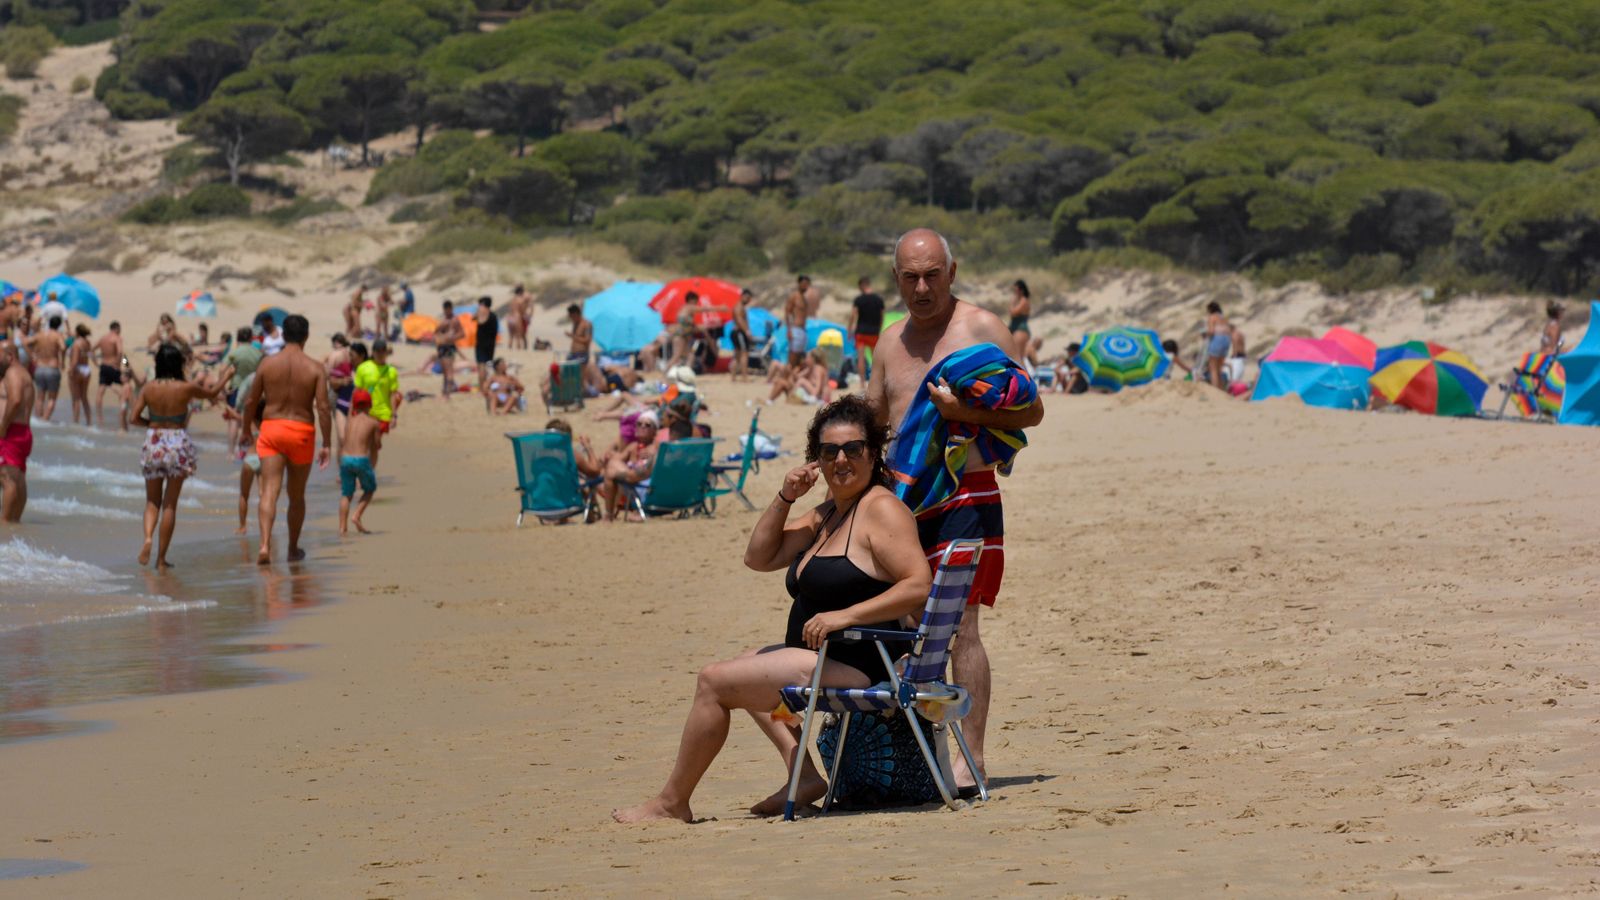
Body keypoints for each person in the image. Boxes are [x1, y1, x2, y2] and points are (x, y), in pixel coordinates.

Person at [613, 396, 932, 822]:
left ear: (873, 454)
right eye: (828, 451)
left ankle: (672, 803)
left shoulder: (881, 510)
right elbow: (758, 557)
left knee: (713, 682)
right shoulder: (828, 515)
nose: (841, 459)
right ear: (815, 460)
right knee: (748, 663)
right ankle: (802, 776)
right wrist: (786, 496)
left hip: (860, 662)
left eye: (853, 449)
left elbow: (919, 584)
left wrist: (845, 617)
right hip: (825, 658)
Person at [866, 227, 1044, 794]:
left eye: (932, 274)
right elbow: (874, 425)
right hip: (902, 503)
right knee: (907, 627)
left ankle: (972, 757)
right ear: (897, 279)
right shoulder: (888, 342)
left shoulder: (983, 327)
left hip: (967, 495)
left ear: (952, 270)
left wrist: (965, 408)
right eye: (911, 277)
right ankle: (923, 754)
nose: (922, 287)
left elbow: (1031, 411)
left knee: (960, 625)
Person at [240, 314, 332, 565]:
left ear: (283, 335)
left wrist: (246, 429)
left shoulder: (268, 365)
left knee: (269, 491)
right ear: (306, 336)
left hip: (271, 429)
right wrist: (326, 443)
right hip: (301, 431)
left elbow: (250, 400)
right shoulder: (315, 368)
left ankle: (264, 545)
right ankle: (292, 548)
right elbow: (323, 408)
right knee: (296, 495)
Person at [131, 343, 228, 571]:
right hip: (177, 442)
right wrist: (227, 376)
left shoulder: (149, 388)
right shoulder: (186, 387)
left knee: (152, 501)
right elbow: (213, 394)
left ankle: (147, 539)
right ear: (178, 364)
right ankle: (161, 558)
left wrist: (153, 426)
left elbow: (134, 418)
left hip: (154, 440)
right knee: (170, 505)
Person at [338, 389, 381, 536]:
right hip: (361, 459)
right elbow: (375, 447)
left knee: (346, 494)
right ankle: (356, 516)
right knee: (370, 489)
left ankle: (342, 528)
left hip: (345, 459)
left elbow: (351, 409)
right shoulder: (373, 423)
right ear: (370, 404)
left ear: (355, 406)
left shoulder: (349, 421)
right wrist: (373, 465)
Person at [0, 340, 35, 522]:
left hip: (11, 431)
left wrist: (3, 426)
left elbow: (14, 400)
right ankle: (15, 521)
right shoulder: (24, 374)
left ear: (10, 356)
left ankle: (5, 522)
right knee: (18, 478)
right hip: (22, 431)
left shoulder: (12, 373)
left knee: (7, 479)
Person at [352, 339, 400, 465]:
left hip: (383, 414)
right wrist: (353, 411)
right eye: (377, 351)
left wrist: (394, 415)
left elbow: (393, 395)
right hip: (365, 413)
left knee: (373, 446)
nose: (380, 354)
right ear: (372, 352)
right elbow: (357, 391)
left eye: (382, 351)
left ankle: (369, 473)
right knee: (364, 443)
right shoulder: (363, 368)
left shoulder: (391, 371)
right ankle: (363, 474)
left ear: (386, 353)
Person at [222, 325, 263, 446]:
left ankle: (231, 452)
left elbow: (221, 369)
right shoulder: (258, 353)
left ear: (237, 338)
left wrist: (223, 389)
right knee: (251, 419)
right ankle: (249, 448)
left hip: (236, 388)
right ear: (251, 338)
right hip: (253, 389)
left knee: (234, 419)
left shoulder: (235, 353)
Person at [25, 315, 66, 421]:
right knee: (52, 398)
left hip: (39, 368)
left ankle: (39, 420)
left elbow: (26, 342)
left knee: (40, 397)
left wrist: (32, 355)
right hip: (52, 367)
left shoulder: (40, 334)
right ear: (59, 325)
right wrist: (63, 361)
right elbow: (63, 347)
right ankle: (45, 420)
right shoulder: (57, 335)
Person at [848, 276, 885, 381]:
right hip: (874, 332)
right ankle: (876, 380)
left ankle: (862, 383)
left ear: (862, 285)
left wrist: (849, 330)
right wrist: (879, 329)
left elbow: (853, 315)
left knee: (860, 358)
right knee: (875, 359)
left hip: (861, 332)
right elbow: (882, 316)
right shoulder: (878, 299)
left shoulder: (859, 300)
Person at [93, 320, 126, 428]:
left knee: (100, 391)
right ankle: (123, 414)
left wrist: (96, 363)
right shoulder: (117, 338)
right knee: (125, 387)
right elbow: (121, 352)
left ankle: (99, 418)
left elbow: (91, 350)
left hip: (104, 366)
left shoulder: (103, 338)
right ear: (117, 329)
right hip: (113, 367)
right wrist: (119, 363)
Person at [433, 300, 462, 399]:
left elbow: (462, 334)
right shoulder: (444, 320)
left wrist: (451, 338)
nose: (446, 312)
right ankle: (444, 392)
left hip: (449, 347)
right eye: (445, 310)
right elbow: (436, 332)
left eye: (448, 310)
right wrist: (439, 339)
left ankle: (447, 394)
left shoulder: (455, 320)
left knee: (449, 371)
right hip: (441, 347)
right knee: (445, 372)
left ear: (451, 309)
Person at [728, 289, 755, 382]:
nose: (748, 300)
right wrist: (747, 332)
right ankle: (744, 377)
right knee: (744, 354)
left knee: (738, 355)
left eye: (749, 299)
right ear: (742, 296)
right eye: (747, 298)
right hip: (739, 332)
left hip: (738, 332)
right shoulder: (739, 307)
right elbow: (740, 321)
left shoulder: (741, 307)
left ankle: (733, 377)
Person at [68, 323, 93, 424]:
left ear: (77, 332)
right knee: (84, 397)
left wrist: (70, 370)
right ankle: (89, 421)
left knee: (76, 398)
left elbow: (75, 360)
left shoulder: (76, 344)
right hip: (86, 369)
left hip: (78, 370)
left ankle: (76, 421)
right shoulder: (87, 342)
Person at [1203, 300, 1231, 390]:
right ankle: (1221, 388)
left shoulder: (1212, 317)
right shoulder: (1223, 317)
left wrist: (1204, 334)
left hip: (1217, 340)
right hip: (1226, 340)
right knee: (1219, 368)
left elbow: (1211, 331)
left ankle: (1215, 390)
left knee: (1213, 368)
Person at [784, 276, 810, 368]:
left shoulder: (804, 299)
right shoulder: (794, 296)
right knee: (793, 356)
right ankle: (786, 378)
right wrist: (789, 330)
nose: (805, 286)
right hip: (795, 329)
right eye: (803, 284)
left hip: (803, 330)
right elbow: (788, 313)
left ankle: (793, 379)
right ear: (799, 284)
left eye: (807, 285)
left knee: (800, 357)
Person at [475, 296, 500, 387]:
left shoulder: (481, 312)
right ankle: (487, 385)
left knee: (481, 366)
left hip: (481, 343)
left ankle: (482, 387)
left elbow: (475, 319)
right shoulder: (493, 316)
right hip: (491, 344)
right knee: (488, 365)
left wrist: (479, 311)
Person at [1008, 279, 1032, 361]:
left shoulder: (1023, 301)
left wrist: (1011, 303)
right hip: (1014, 329)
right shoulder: (1019, 301)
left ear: (1021, 290)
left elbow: (1014, 313)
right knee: (1015, 356)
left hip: (1020, 330)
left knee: (1017, 357)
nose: (1014, 292)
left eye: (1016, 290)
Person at [505, 284, 530, 350]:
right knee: (518, 336)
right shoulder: (521, 300)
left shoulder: (512, 300)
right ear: (521, 292)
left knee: (511, 336)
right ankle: (518, 350)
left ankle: (509, 348)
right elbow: (522, 310)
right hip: (517, 317)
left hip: (510, 317)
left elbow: (510, 309)